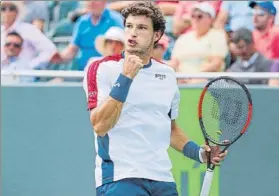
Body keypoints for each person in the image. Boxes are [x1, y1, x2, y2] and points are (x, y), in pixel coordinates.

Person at [83, 2, 227, 196]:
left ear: (156, 35)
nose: (133, 33)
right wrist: (126, 78)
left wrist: (200, 154)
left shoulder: (167, 74)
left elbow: (170, 129)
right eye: (129, 26)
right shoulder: (101, 69)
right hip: (120, 178)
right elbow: (100, 125)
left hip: (162, 180)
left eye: (141, 27)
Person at [1, 1, 57, 70]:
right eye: (3, 9)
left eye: (11, 8)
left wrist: (30, 66)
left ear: (17, 12)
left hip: (23, 77)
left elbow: (50, 50)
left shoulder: (28, 29)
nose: (7, 12)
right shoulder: (1, 31)